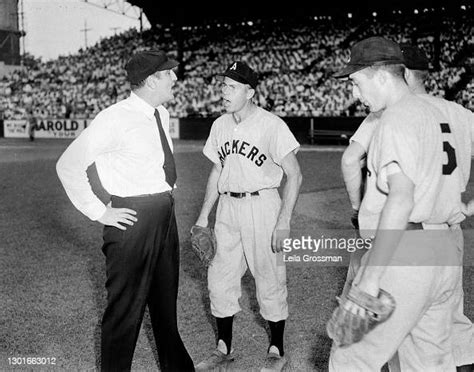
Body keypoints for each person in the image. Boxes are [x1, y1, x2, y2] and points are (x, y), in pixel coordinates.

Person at [329, 36, 465, 371]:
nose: (355, 94)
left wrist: (371, 279)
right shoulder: (438, 112)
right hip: (444, 249)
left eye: (356, 82)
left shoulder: (394, 118)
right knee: (429, 364)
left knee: (350, 360)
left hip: (405, 253)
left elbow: (401, 198)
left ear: (380, 75)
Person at [56, 50, 194, 372]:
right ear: (149, 80)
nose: (175, 78)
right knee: (124, 314)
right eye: (168, 73)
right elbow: (68, 165)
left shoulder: (160, 114)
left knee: (165, 309)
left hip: (164, 215)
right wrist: (99, 211)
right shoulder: (113, 118)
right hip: (131, 220)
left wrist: (165, 194)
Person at [193, 61, 302, 372]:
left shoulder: (272, 125)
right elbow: (217, 170)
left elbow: (295, 175)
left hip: (263, 206)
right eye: (223, 85)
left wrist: (284, 221)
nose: (224, 92)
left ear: (250, 92)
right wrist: (203, 217)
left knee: (269, 276)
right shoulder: (220, 125)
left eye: (232, 87)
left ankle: (276, 348)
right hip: (227, 208)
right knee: (219, 278)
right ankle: (223, 347)